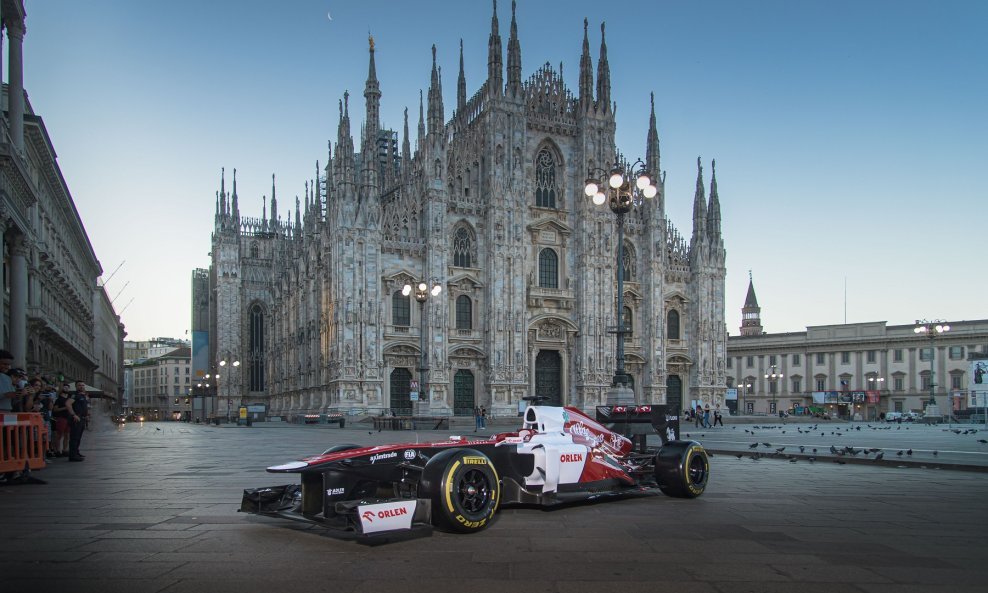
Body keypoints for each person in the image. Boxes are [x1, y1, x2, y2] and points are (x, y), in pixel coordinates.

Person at [65, 380, 90, 461]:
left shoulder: (82, 396)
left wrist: (86, 416)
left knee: (78, 437)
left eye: (83, 385)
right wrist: (73, 415)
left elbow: (84, 407)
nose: (81, 387)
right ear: (76, 386)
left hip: (82, 419)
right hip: (76, 419)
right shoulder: (74, 395)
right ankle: (72, 456)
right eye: (79, 385)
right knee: (74, 438)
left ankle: (76, 452)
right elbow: (68, 404)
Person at [51, 383, 72, 457]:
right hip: (61, 418)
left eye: (68, 388)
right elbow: (55, 409)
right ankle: (57, 450)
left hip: (68, 418)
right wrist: (66, 408)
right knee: (59, 435)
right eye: (65, 387)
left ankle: (65, 450)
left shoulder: (69, 398)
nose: (66, 389)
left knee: (67, 435)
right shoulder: (59, 399)